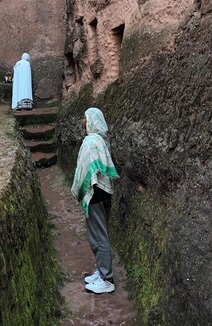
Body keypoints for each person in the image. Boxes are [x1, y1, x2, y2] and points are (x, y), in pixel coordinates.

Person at [71, 107, 119, 294]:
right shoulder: (101, 140)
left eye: (86, 118)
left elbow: (87, 168)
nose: (84, 122)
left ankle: (107, 279)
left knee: (99, 237)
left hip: (96, 194)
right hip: (103, 193)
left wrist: (81, 188)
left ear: (92, 120)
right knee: (99, 235)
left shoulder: (91, 141)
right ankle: (101, 271)